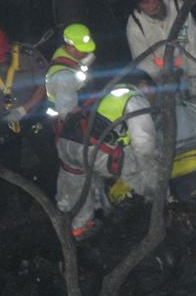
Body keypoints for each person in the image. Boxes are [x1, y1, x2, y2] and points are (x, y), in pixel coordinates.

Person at [54, 82, 160, 238]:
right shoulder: (134, 98)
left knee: (74, 185)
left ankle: (78, 228)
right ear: (144, 85)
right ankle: (159, 204)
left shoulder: (107, 91)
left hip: (66, 143)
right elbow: (144, 143)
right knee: (139, 169)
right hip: (91, 148)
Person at [0, 28, 54, 179]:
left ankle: (50, 185)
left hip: (33, 114)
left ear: (7, 49)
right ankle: (16, 190)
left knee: (48, 155)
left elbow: (43, 86)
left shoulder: (28, 56)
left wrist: (23, 110)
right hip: (4, 119)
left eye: (0, 59)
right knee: (8, 164)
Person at [125, 0, 196, 109]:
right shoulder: (135, 26)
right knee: (174, 115)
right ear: (140, 7)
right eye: (146, 3)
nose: (153, 6)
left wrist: (193, 75)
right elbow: (142, 60)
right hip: (162, 80)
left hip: (188, 71)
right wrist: (163, 79)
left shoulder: (178, 7)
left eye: (153, 0)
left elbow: (193, 40)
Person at [44, 23, 97, 122]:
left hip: (80, 99)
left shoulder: (63, 52)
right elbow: (68, 116)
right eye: (83, 50)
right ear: (70, 48)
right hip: (63, 126)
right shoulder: (64, 77)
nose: (87, 53)